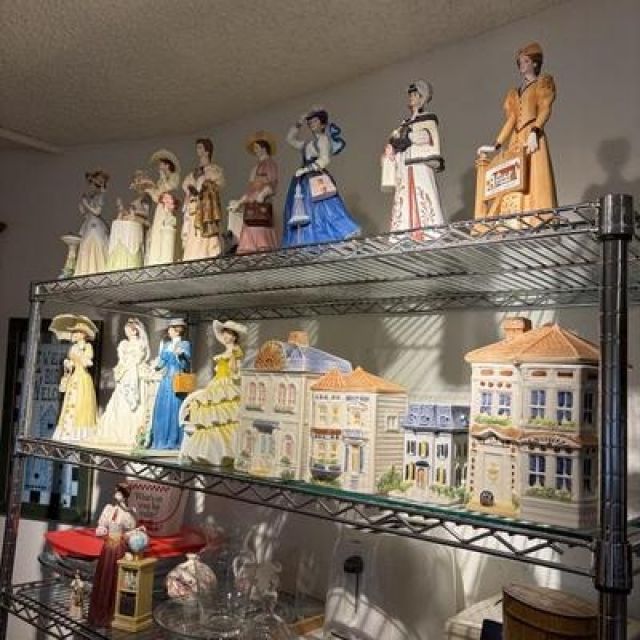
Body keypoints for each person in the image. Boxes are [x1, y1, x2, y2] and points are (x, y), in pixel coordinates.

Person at [476, 41, 557, 214]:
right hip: (516, 138)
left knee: (533, 176)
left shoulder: (542, 83)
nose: (522, 64)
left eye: (526, 61)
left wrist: (535, 131)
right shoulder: (514, 93)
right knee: (512, 177)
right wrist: (496, 145)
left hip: (532, 134)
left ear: (535, 63)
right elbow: (511, 120)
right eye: (520, 61)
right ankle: (513, 216)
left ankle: (534, 216)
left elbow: (544, 109)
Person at [282, 107, 360, 247]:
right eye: (310, 122)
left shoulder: (323, 140)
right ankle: (309, 241)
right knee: (305, 209)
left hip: (317, 179)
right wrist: (299, 123)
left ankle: (333, 238)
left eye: (315, 121)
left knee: (325, 209)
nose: (312, 124)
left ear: (322, 124)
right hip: (304, 181)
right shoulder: (308, 143)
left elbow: (324, 160)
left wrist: (306, 169)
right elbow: (290, 139)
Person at [383, 80, 445, 237]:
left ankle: (430, 232)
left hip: (420, 165)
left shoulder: (428, 118)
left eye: (415, 94)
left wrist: (407, 137)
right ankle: (403, 234)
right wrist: (393, 147)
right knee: (404, 197)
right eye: (410, 95)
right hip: (405, 167)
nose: (411, 97)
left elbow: (426, 136)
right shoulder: (404, 123)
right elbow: (395, 140)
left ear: (422, 97)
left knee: (424, 194)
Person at [179, 319, 247, 465]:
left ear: (234, 337)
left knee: (226, 417)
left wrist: (233, 358)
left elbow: (235, 371)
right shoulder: (225, 352)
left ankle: (226, 452)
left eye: (229, 334)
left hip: (227, 384)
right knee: (211, 418)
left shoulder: (235, 352)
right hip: (217, 383)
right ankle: (207, 452)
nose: (226, 336)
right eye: (225, 333)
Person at [92, 318, 156, 449]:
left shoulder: (140, 343)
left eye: (129, 330)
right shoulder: (124, 344)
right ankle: (117, 431)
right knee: (120, 401)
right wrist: (123, 367)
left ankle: (136, 434)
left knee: (137, 402)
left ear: (135, 331)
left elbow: (140, 357)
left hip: (136, 373)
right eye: (126, 330)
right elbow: (121, 359)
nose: (127, 332)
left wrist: (131, 364)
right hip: (126, 373)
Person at [87, 482, 137, 628]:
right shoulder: (109, 509)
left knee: (115, 577)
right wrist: (101, 530)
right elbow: (102, 525)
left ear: (125, 495)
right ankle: (100, 611)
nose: (116, 494)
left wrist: (131, 534)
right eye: (116, 491)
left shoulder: (128, 514)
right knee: (104, 576)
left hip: (119, 548)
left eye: (120, 492)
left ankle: (113, 612)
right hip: (108, 546)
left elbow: (129, 530)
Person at [229, 131, 279, 254]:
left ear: (264, 148)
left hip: (261, 205)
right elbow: (250, 190)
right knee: (249, 234)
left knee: (261, 236)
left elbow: (272, 184)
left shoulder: (270, 164)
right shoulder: (255, 168)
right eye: (254, 148)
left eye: (256, 147)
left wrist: (262, 194)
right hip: (251, 206)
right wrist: (239, 202)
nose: (255, 150)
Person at [52, 317, 98, 442]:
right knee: (71, 401)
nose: (75, 334)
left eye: (77, 332)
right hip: (74, 378)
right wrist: (68, 364)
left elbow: (88, 362)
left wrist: (81, 354)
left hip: (83, 379)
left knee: (82, 403)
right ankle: (67, 431)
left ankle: (81, 434)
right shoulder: (73, 348)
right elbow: (72, 362)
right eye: (74, 332)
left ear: (84, 334)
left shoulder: (87, 346)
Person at [148, 318, 192, 450]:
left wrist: (181, 355)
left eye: (171, 329)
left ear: (177, 330)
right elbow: (162, 363)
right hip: (166, 380)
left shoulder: (185, 344)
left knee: (174, 407)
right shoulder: (166, 345)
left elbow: (186, 365)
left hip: (177, 380)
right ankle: (160, 439)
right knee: (163, 407)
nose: (169, 331)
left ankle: (174, 439)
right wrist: (155, 367)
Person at [181, 138, 225, 261]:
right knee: (193, 233)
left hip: (206, 207)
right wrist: (191, 191)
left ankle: (206, 254)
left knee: (205, 237)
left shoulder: (213, 169)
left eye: (200, 147)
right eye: (197, 147)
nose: (197, 150)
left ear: (207, 151)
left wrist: (205, 187)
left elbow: (218, 184)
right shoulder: (194, 172)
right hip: (195, 206)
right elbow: (186, 185)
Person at [145, 149, 181, 266]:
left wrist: (164, 178)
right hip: (161, 207)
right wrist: (149, 189)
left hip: (169, 207)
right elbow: (157, 196)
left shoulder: (174, 176)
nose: (159, 166)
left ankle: (168, 256)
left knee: (168, 229)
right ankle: (157, 257)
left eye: (161, 164)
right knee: (158, 229)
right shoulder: (160, 180)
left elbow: (170, 187)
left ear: (167, 165)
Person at [74, 169, 110, 276]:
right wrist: (83, 212)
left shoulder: (100, 196)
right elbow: (90, 215)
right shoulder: (93, 197)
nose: (91, 187)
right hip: (90, 225)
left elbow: (97, 212)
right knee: (86, 246)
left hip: (95, 226)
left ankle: (96, 270)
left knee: (95, 245)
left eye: (93, 184)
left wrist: (86, 204)